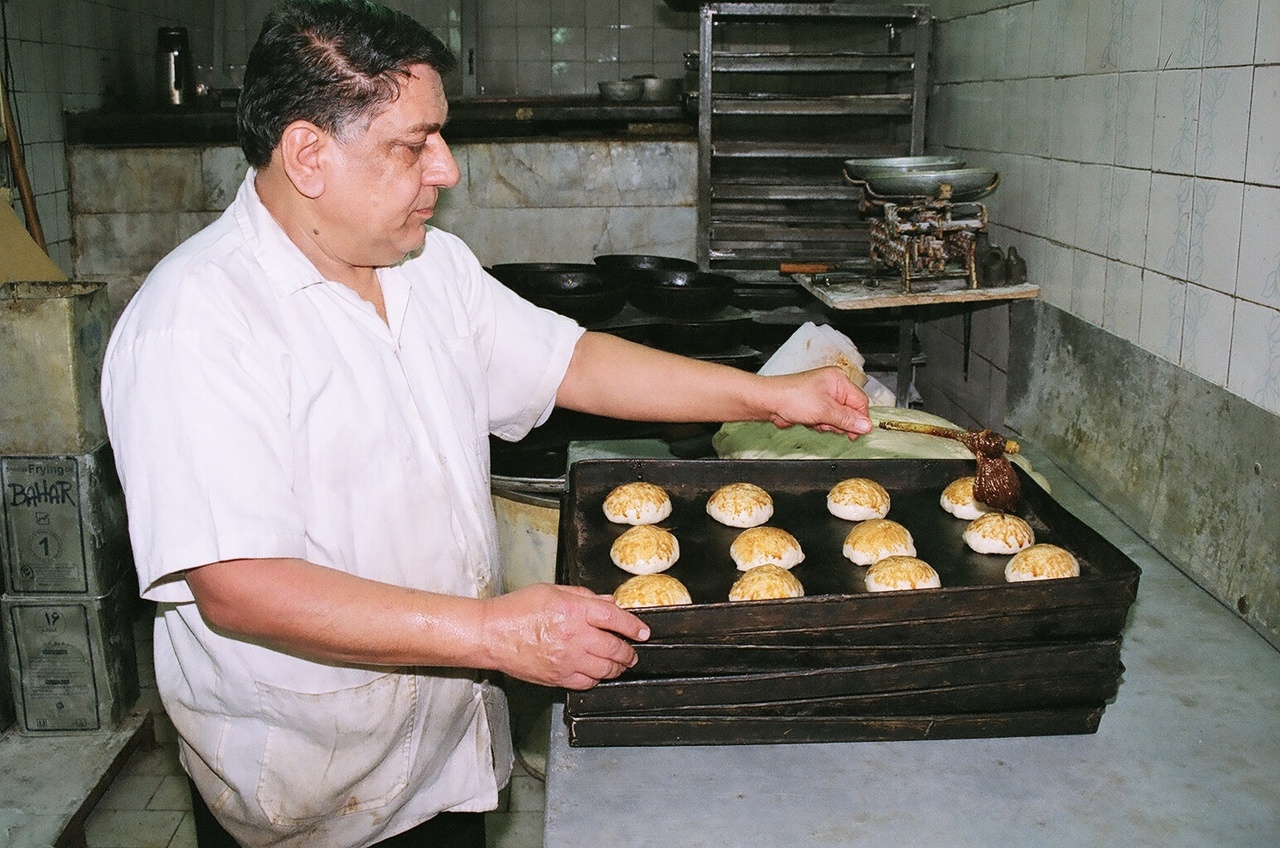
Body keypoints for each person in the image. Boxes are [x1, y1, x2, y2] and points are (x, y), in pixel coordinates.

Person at [100, 1, 873, 846]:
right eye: (414, 144)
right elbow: (240, 585)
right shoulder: (197, 322)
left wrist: (768, 395)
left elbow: (571, 362)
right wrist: (495, 632)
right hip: (310, 782)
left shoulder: (428, 267)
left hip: (444, 755)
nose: (449, 169)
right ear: (309, 154)